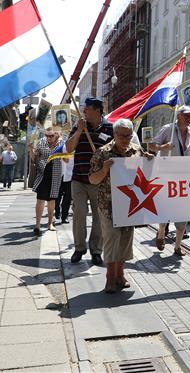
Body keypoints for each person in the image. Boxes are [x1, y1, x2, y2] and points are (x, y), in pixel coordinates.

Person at [89, 118, 154, 293]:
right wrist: (104, 170)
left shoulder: (136, 150)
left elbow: (145, 174)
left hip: (130, 204)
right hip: (107, 205)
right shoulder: (102, 153)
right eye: (122, 136)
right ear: (114, 134)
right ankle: (110, 277)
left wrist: (149, 160)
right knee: (111, 240)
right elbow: (92, 179)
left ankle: (120, 274)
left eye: (129, 135)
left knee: (125, 240)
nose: (126, 139)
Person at [149, 105, 190, 256]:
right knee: (165, 209)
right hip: (167, 176)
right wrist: (163, 146)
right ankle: (161, 232)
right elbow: (151, 146)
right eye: (186, 115)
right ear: (178, 115)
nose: (189, 118)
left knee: (183, 212)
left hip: (185, 177)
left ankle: (178, 246)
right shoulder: (168, 129)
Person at [64, 97, 113, 266]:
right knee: (79, 213)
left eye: (87, 109)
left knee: (99, 217)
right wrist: (79, 131)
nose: (84, 111)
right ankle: (79, 248)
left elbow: (115, 150)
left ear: (98, 110)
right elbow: (69, 148)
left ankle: (96, 250)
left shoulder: (109, 128)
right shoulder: (78, 126)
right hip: (79, 179)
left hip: (99, 180)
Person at [32, 129, 62, 235]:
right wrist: (31, 150)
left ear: (56, 135)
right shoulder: (41, 142)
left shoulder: (61, 143)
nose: (48, 138)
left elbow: (66, 158)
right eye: (47, 135)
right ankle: (37, 225)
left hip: (55, 173)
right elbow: (34, 158)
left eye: (51, 136)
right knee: (40, 199)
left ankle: (50, 223)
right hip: (43, 173)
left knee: (51, 200)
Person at [55, 155, 73, 224]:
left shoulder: (74, 147)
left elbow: (68, 160)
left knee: (67, 198)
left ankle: (64, 217)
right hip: (59, 174)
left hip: (70, 175)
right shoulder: (60, 146)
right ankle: (57, 211)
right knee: (57, 196)